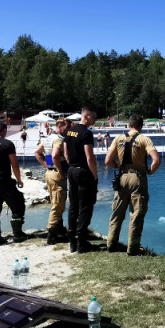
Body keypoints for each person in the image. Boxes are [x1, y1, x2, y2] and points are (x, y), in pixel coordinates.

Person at [105, 114, 161, 255]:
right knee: (136, 214)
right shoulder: (144, 139)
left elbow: (107, 161)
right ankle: (133, 248)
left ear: (129, 125)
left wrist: (118, 167)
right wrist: (150, 171)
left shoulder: (118, 138)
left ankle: (111, 244)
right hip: (138, 178)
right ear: (141, 127)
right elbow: (156, 160)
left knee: (117, 212)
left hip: (122, 177)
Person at [63, 107, 98, 254]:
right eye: (94, 119)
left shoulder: (69, 131)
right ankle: (82, 243)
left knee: (73, 206)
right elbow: (90, 157)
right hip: (83, 172)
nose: (94, 122)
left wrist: (72, 165)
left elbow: (65, 153)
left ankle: (72, 241)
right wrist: (95, 175)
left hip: (71, 170)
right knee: (85, 206)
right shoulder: (86, 133)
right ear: (87, 117)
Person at [34, 118, 70, 246]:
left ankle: (59, 229)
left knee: (55, 202)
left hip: (49, 173)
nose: (69, 130)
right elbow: (55, 155)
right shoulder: (59, 139)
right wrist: (59, 170)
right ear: (60, 126)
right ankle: (52, 234)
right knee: (58, 204)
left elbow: (37, 153)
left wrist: (46, 165)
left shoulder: (48, 138)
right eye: (67, 127)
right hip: (57, 174)